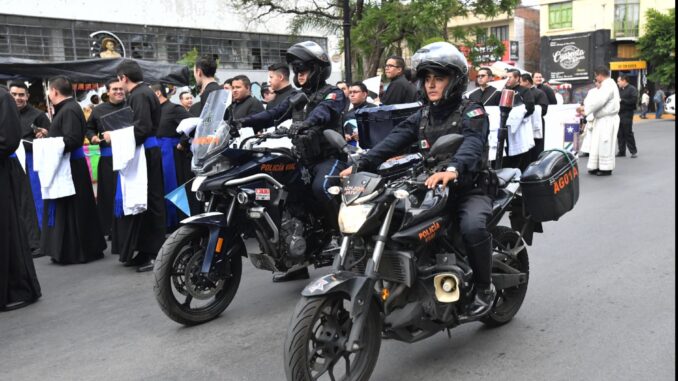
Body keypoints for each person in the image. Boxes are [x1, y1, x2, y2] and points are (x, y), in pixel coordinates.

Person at [339, 42, 497, 318]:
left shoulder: (472, 110)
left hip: (469, 186)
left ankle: (485, 287)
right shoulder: (422, 114)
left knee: (472, 226)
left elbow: (473, 143)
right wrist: (361, 163)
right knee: (391, 214)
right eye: (427, 80)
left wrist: (455, 168)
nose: (431, 85)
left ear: (455, 80)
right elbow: (393, 140)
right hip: (430, 184)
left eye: (439, 79)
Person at [237, 41, 347, 282]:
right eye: (297, 69)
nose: (299, 72)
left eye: (304, 68)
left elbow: (324, 112)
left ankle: (346, 237)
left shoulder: (334, 93)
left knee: (321, 188)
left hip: (329, 159)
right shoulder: (297, 97)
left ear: (318, 69)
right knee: (282, 196)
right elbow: (272, 114)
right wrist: (240, 122)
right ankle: (295, 260)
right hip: (301, 159)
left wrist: (306, 123)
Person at [42, 76, 106, 264]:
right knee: (72, 208)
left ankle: (79, 251)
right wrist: (50, 135)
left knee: (76, 209)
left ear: (54, 91)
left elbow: (71, 139)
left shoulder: (69, 109)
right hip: (69, 164)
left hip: (71, 166)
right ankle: (73, 249)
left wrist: (48, 145)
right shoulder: (69, 108)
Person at [111, 59, 166, 272]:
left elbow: (141, 129)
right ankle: (145, 251)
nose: (120, 84)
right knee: (144, 200)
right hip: (144, 151)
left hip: (146, 152)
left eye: (119, 80)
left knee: (151, 200)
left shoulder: (139, 95)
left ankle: (154, 253)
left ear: (124, 78)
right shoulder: (143, 93)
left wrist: (113, 136)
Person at [0, 85, 42, 311]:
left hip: (3, 173)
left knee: (7, 230)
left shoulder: (3, 98)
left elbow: (8, 140)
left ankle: (15, 288)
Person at [8, 81, 50, 257]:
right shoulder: (4, 113)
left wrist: (44, 133)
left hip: (32, 164)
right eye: (14, 94)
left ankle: (39, 242)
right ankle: (21, 241)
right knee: (15, 203)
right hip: (10, 163)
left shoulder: (39, 115)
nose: (18, 98)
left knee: (33, 203)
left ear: (27, 96)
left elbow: (50, 135)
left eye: (21, 94)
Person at [150, 82, 195, 230]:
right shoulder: (154, 110)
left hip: (172, 155)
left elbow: (193, 124)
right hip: (158, 153)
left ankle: (177, 221)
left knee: (174, 186)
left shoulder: (174, 108)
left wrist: (183, 142)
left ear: (157, 93)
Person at [85, 78, 126, 238]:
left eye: (121, 89)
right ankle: (110, 228)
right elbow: (88, 129)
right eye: (115, 89)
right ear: (107, 92)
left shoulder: (131, 106)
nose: (118, 92)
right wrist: (92, 137)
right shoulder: (98, 110)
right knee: (108, 194)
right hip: (108, 159)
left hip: (129, 157)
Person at [576, 66, 620, 176]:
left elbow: (599, 101)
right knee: (596, 143)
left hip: (607, 119)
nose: (596, 78)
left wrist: (585, 109)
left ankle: (606, 168)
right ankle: (595, 166)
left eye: (596, 75)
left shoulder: (608, 85)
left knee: (605, 143)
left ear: (600, 75)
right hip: (601, 119)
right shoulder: (608, 84)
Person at [502, 68, 535, 171]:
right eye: (505, 77)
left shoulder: (524, 91)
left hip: (519, 128)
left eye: (509, 77)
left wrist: (515, 118)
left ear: (517, 78)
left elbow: (530, 107)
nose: (507, 79)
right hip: (504, 129)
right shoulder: (502, 90)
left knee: (521, 156)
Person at [521, 73, 549, 162]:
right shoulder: (520, 93)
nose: (519, 84)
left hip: (536, 123)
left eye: (520, 82)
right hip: (523, 124)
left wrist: (529, 109)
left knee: (536, 149)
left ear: (527, 82)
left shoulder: (539, 93)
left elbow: (544, 109)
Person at [342, 81, 376, 146]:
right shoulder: (347, 114)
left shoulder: (375, 110)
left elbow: (382, 133)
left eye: (355, 92)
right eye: (350, 92)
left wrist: (365, 135)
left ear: (364, 94)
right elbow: (345, 133)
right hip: (353, 150)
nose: (352, 95)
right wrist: (345, 136)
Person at [616, 75, 638, 158]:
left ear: (624, 80)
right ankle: (622, 151)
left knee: (628, 132)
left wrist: (622, 100)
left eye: (619, 81)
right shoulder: (619, 90)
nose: (618, 83)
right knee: (620, 133)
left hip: (627, 113)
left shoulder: (632, 89)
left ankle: (633, 151)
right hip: (619, 113)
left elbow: (634, 100)